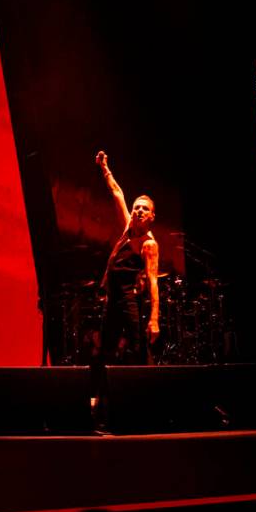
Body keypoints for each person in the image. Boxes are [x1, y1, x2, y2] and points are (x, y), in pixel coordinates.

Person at [95, 150, 160, 365]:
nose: (139, 211)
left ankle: (147, 388)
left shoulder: (148, 244)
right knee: (105, 348)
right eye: (136, 207)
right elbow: (117, 193)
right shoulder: (127, 229)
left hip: (129, 300)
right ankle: (103, 394)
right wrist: (105, 168)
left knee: (139, 348)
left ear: (151, 216)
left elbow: (153, 283)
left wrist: (154, 319)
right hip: (113, 298)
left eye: (145, 209)